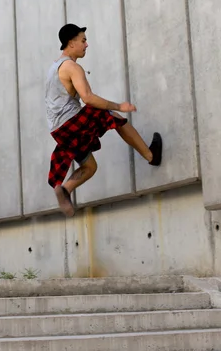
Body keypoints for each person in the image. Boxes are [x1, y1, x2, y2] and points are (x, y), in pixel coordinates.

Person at [46, 23, 162, 217]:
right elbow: (88, 97)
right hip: (69, 122)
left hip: (58, 130)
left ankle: (65, 189)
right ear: (71, 43)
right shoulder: (72, 67)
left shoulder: (54, 67)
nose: (86, 44)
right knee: (112, 116)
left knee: (90, 167)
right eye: (83, 40)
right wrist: (118, 106)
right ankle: (151, 156)